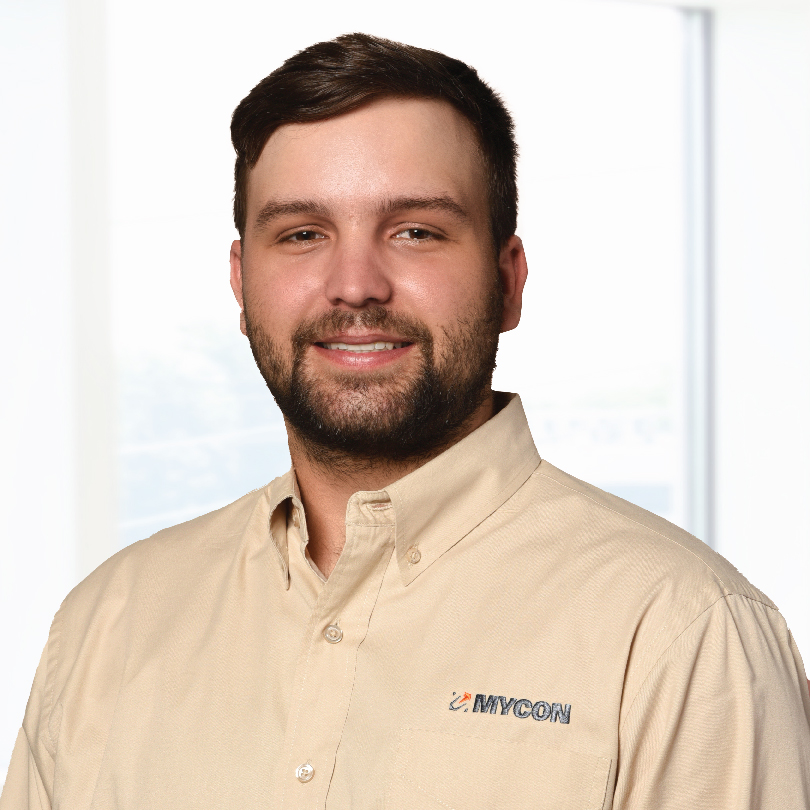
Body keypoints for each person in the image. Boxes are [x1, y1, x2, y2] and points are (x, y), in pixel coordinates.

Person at [2, 32, 809, 810]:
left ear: (508, 280)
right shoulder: (108, 621)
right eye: (303, 233)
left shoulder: (684, 632)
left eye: (416, 232)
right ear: (243, 282)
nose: (355, 285)